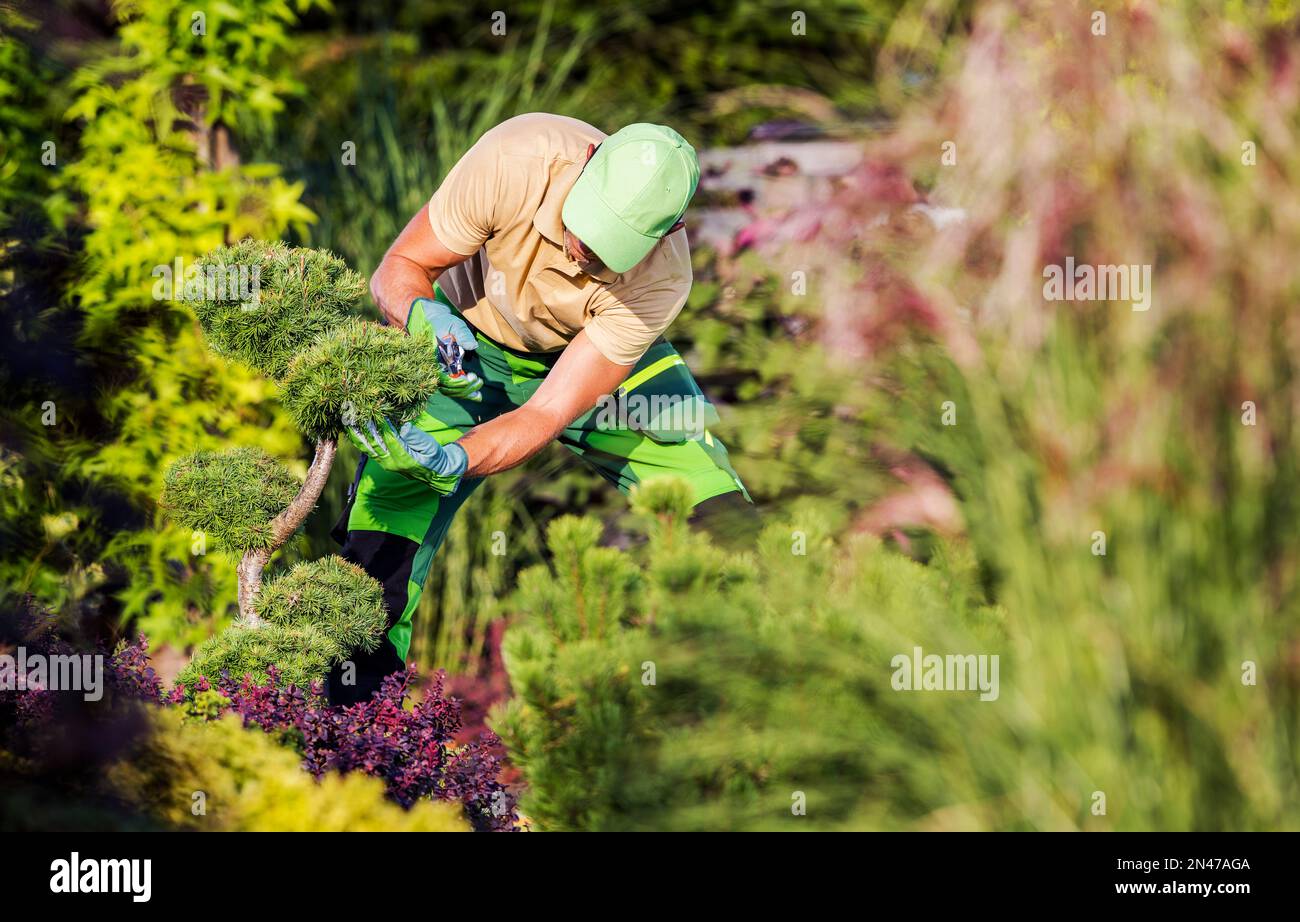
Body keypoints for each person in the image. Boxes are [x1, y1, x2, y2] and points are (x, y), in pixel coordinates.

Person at [329, 113, 752, 705]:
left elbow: (545, 414)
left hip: (590, 366)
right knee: (380, 531)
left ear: (669, 230)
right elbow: (399, 269)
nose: (584, 255)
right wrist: (424, 315)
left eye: (613, 248)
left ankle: (765, 698)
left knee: (717, 507)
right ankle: (359, 742)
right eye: (588, 228)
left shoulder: (663, 278)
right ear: (586, 160)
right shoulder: (514, 159)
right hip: (465, 349)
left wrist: (453, 459)